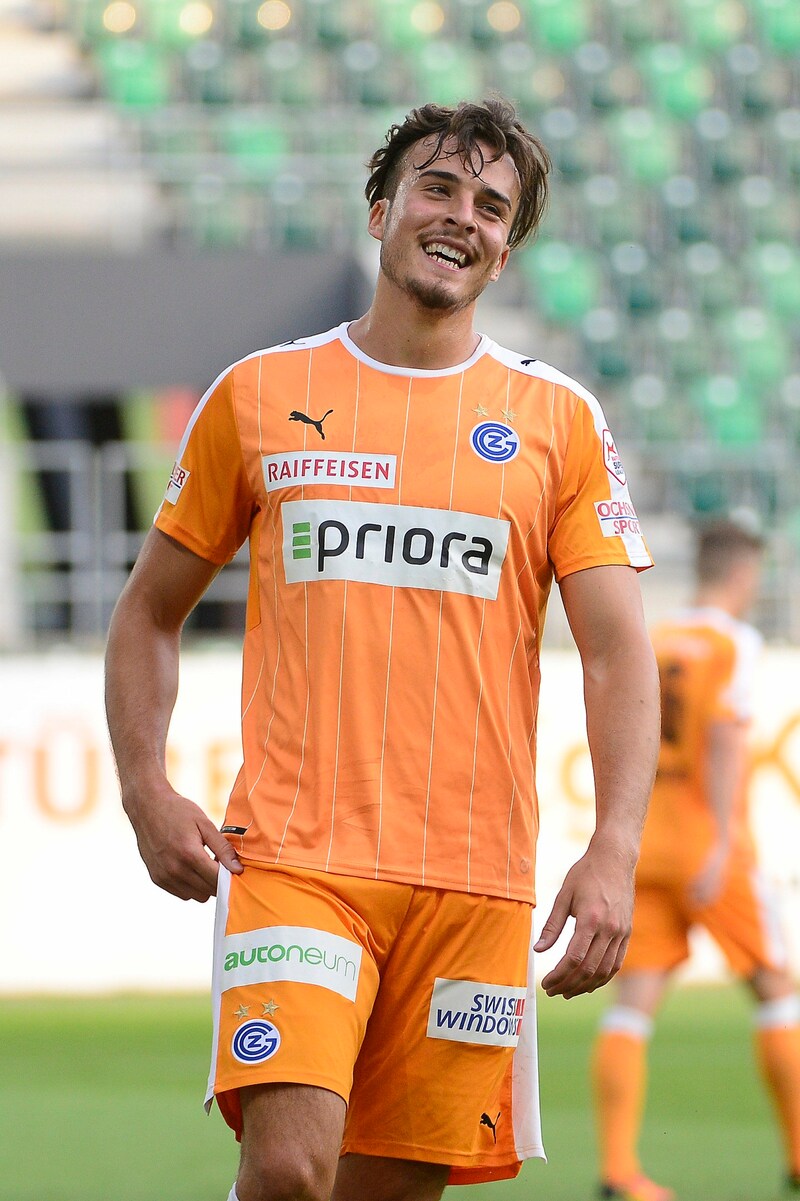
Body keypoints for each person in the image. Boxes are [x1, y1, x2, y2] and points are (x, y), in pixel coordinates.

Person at [105, 96, 660, 1201]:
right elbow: (146, 613)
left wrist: (613, 847)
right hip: (294, 863)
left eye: (492, 207)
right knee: (291, 1166)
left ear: (504, 253)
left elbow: (612, 655)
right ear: (380, 210)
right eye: (439, 189)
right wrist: (141, 787)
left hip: (472, 882)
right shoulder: (260, 396)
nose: (463, 218)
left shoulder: (555, 422)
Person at [592, 516, 800, 1201]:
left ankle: (620, 1169)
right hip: (710, 845)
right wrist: (718, 843)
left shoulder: (657, 637)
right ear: (743, 572)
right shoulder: (732, 643)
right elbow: (721, 739)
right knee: (778, 991)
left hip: (649, 841)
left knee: (633, 1005)